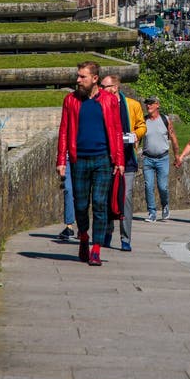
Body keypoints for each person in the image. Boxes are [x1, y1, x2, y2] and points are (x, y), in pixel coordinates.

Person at [56, 62, 125, 266]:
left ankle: (96, 248)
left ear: (95, 79)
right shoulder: (70, 100)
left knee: (100, 204)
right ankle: (83, 236)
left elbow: (117, 131)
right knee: (80, 204)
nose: (78, 80)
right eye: (78, 76)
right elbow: (63, 131)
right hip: (79, 160)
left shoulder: (109, 100)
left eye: (82, 77)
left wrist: (119, 160)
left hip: (103, 159)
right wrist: (61, 160)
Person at [100, 74, 146, 252]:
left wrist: (136, 134)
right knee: (105, 198)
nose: (102, 89)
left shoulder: (132, 105)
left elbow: (142, 125)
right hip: (107, 159)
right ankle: (107, 231)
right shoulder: (100, 104)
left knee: (125, 198)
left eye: (105, 86)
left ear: (115, 88)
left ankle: (125, 238)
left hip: (127, 159)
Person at [142, 96, 180, 222]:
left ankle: (165, 206)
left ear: (157, 105)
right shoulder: (144, 121)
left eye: (151, 104)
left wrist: (177, 156)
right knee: (148, 186)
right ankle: (152, 212)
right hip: (148, 158)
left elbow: (173, 138)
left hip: (162, 158)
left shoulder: (165, 120)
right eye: (147, 104)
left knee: (162, 186)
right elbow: (137, 139)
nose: (148, 106)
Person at [57, 160, 76, 242]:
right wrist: (60, 162)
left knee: (82, 192)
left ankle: (83, 229)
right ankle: (69, 227)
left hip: (85, 158)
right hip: (67, 160)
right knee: (68, 190)